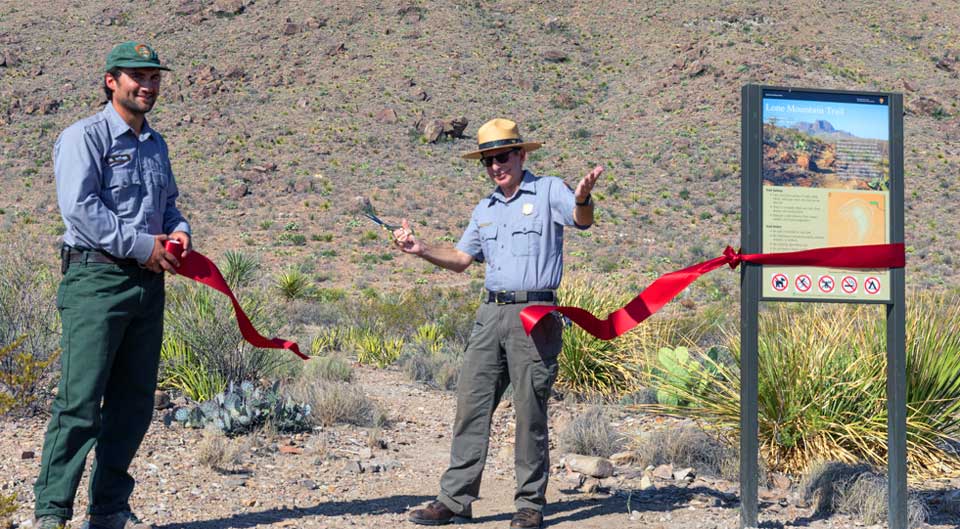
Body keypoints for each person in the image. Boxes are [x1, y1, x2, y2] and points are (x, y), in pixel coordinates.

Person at [396, 118, 602, 529]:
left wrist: (582, 199)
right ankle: (455, 500)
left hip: (535, 314)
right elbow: (460, 260)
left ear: (522, 154)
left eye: (502, 156)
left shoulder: (548, 191)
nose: (495, 166)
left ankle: (529, 504)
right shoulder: (484, 208)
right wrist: (421, 250)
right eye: (488, 160)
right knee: (471, 407)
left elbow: (582, 220)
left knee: (530, 412)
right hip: (490, 315)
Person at [33, 41, 191, 529]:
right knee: (79, 402)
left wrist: (180, 230)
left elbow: (167, 205)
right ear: (111, 81)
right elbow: (81, 210)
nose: (147, 86)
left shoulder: (155, 144)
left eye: (154, 77)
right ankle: (52, 512)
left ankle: (108, 509)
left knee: (133, 402)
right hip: (96, 280)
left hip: (146, 286)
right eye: (136, 77)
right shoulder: (85, 137)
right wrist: (144, 245)